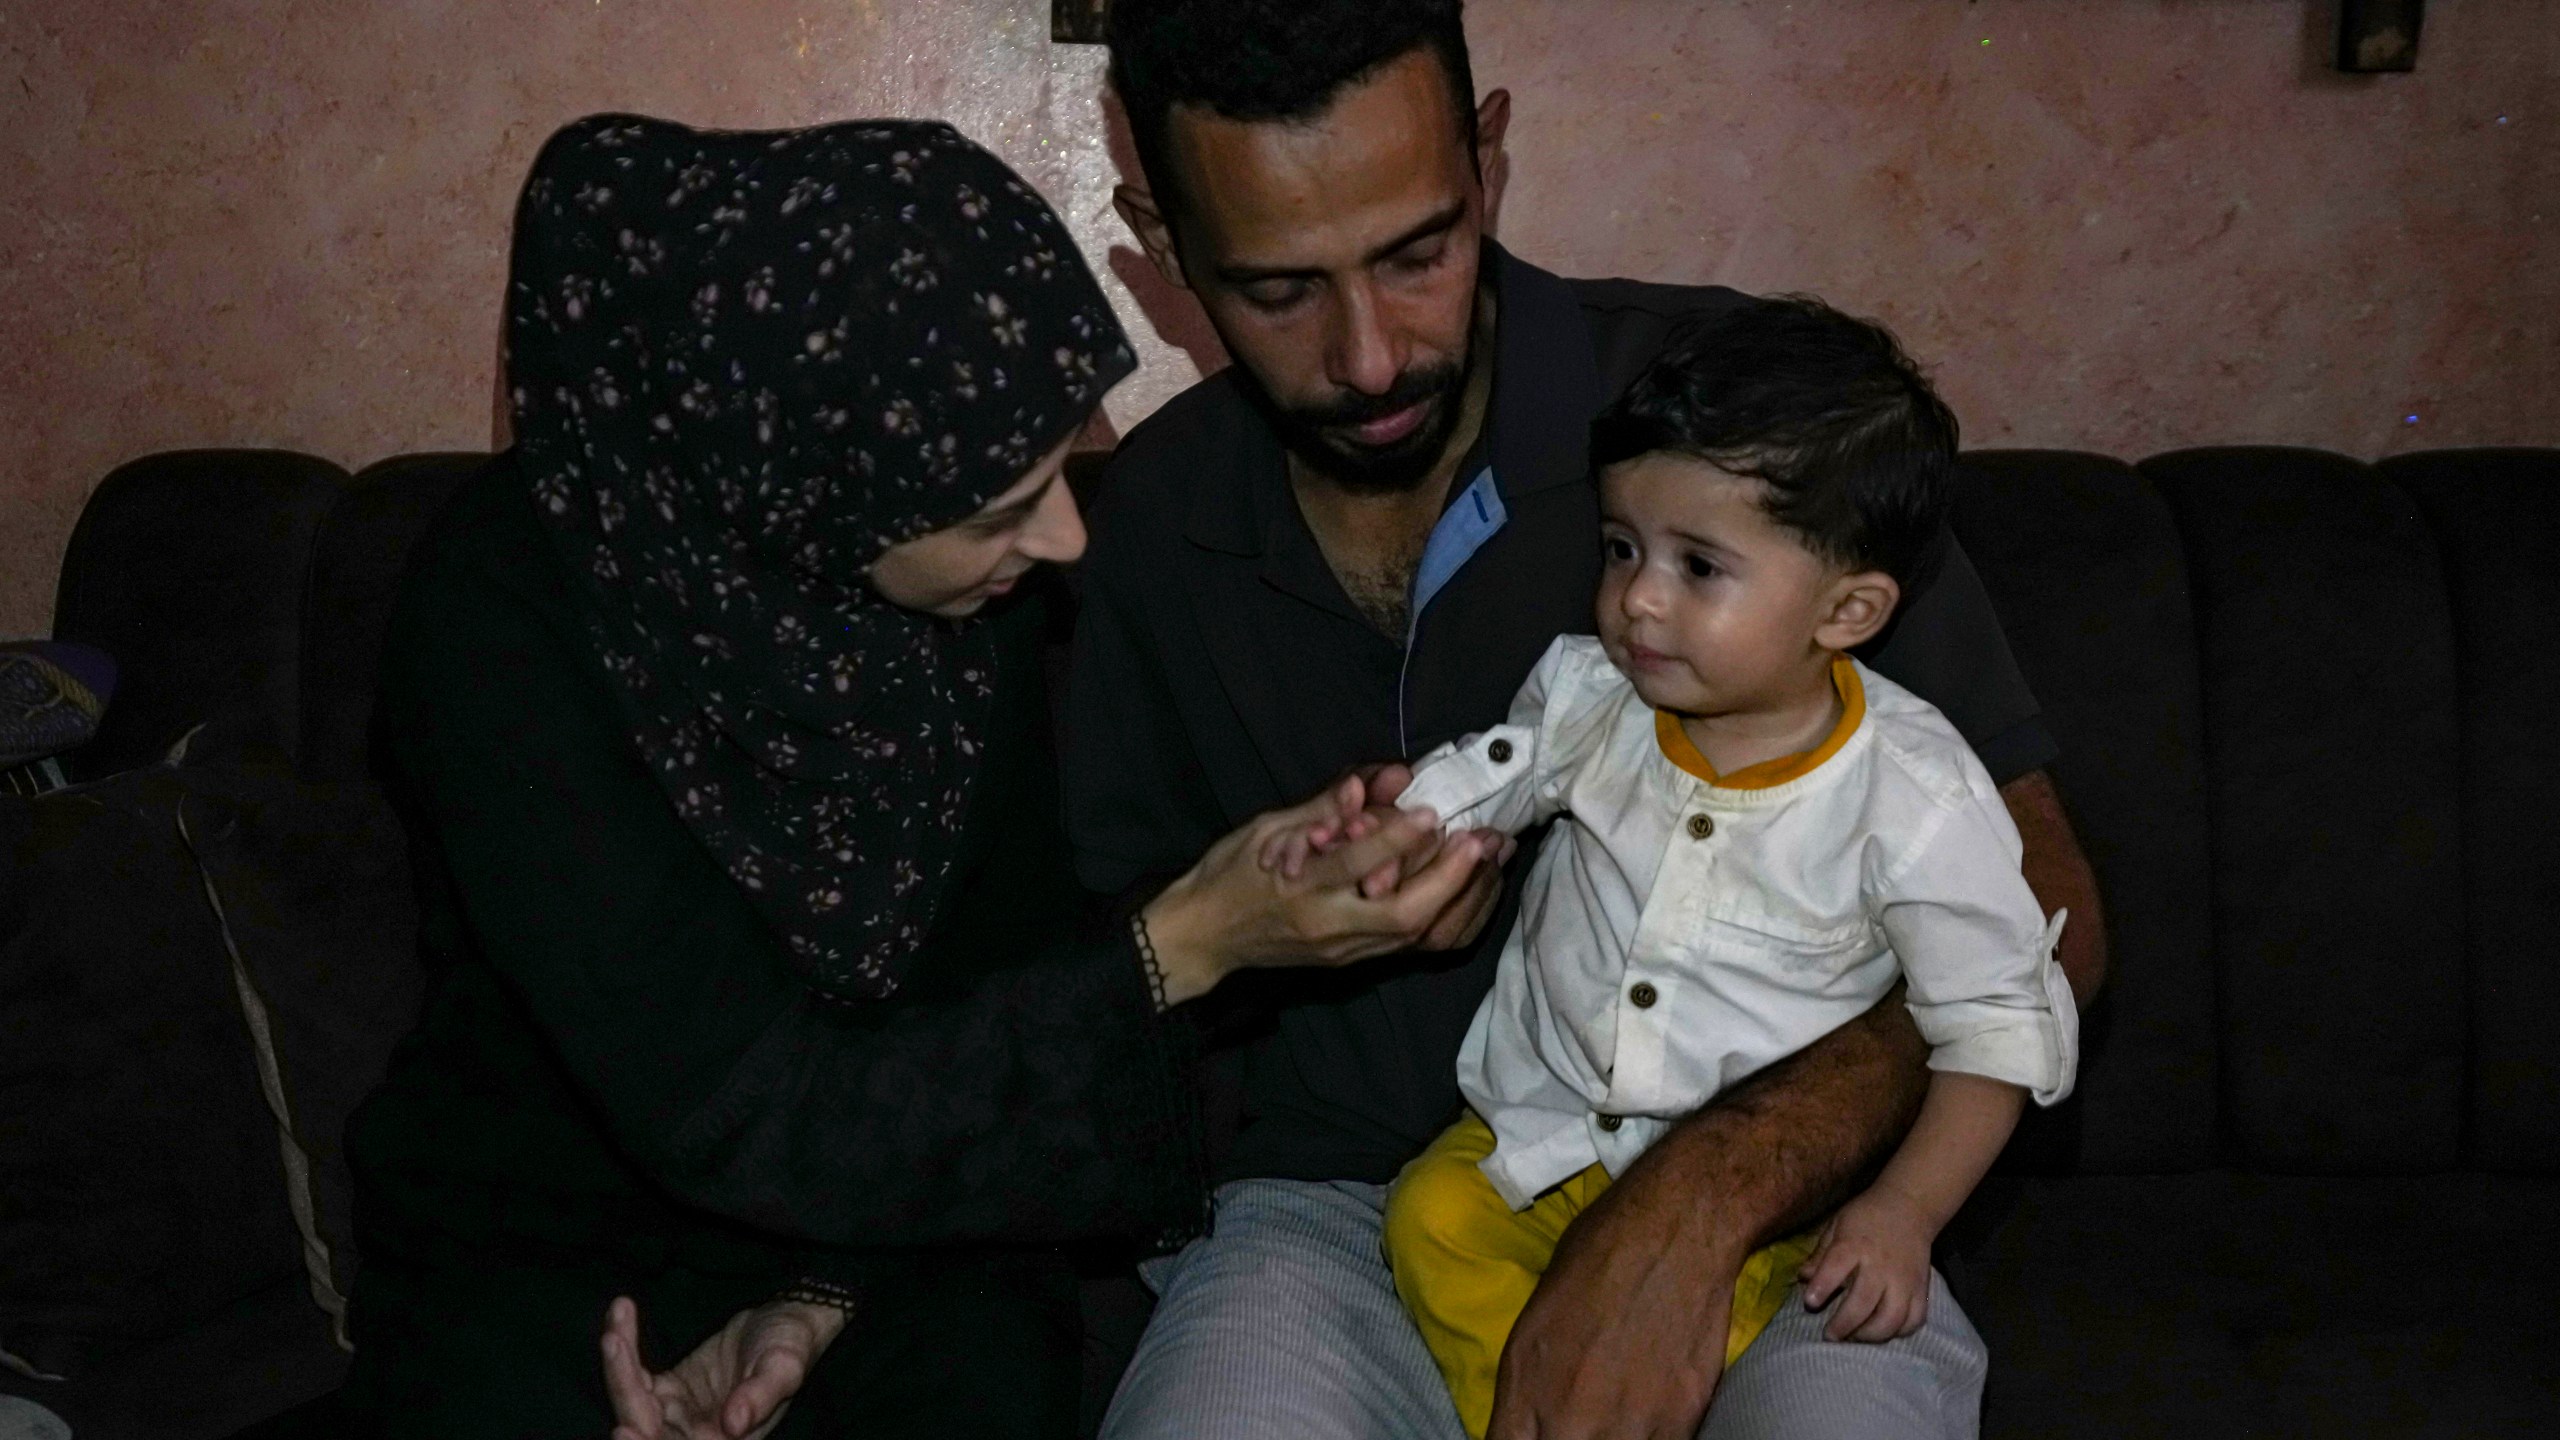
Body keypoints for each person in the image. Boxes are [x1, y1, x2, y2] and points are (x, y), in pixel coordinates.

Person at [341, 113, 1501, 1440]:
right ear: (801, 482)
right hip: (554, 1232)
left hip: (906, 1225)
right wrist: (1187, 938)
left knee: (984, 1373)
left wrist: (827, 1290)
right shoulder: (502, 616)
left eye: (1064, 467)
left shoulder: (959, 622)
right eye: (1004, 510)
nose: (1066, 538)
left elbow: (986, 991)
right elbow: (742, 1099)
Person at [1071, 2, 2110, 1437]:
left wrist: (1707, 1193)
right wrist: (1238, 923)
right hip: (1335, 1223)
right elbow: (1089, 954)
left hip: (1783, 1222)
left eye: (1418, 253)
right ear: (1162, 242)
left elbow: (2048, 914)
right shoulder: (1148, 520)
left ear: (1489, 165)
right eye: (1277, 289)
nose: (1370, 357)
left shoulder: (1746, 431)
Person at [1280, 296, 2076, 1438]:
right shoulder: (1587, 697)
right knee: (1428, 1220)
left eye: (1699, 565)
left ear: (1847, 609)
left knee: (1728, 1343)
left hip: (1758, 1220)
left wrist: (1902, 1211)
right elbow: (1487, 776)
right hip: (1538, 1138)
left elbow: (1996, 1023)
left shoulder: (1916, 799)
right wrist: (1399, 826)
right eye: (1621, 548)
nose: (1637, 598)